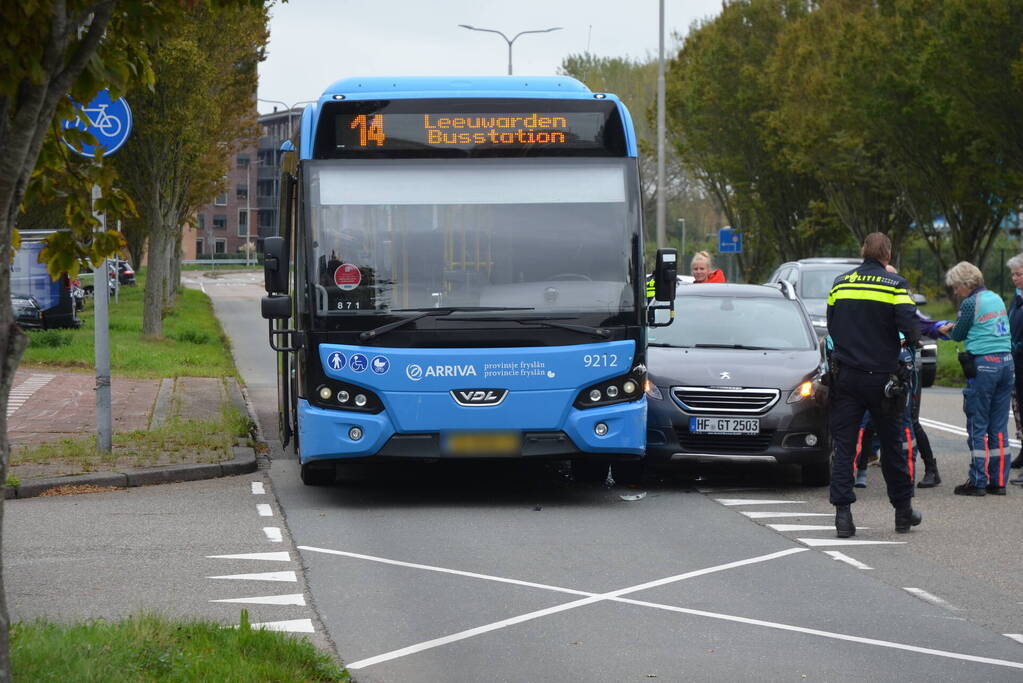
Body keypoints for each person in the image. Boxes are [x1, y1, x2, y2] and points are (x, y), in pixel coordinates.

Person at [826, 232, 921, 537]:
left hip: (847, 377)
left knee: (844, 447)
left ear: (862, 251)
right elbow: (911, 328)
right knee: (892, 447)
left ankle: (843, 516)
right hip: (883, 380)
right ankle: (903, 512)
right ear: (887, 255)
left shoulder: (840, 284)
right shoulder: (896, 285)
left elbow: (831, 323)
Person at [939, 261, 1014, 495]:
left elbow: (959, 333)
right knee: (999, 426)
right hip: (1006, 363)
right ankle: (999, 481)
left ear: (966, 283)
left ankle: (978, 480)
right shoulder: (996, 298)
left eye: (956, 286)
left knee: (977, 424)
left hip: (984, 365)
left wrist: (946, 329)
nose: (955, 291)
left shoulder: (971, 302)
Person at [1005, 253, 1023, 481]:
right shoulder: (1015, 299)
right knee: (1018, 409)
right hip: (1015, 362)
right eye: (1013, 274)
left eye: (1019, 274)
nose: (1015, 278)